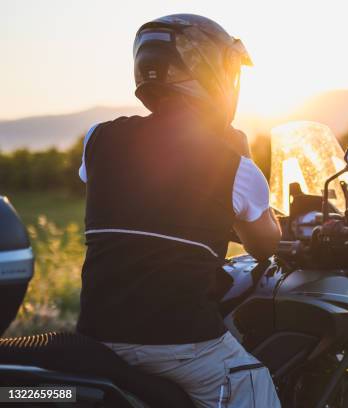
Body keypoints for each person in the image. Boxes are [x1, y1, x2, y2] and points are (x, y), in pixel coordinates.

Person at [75, 14, 282, 408]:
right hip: (180, 343)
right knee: (256, 388)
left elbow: (138, 202)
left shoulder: (97, 138)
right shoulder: (233, 163)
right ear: (213, 73)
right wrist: (241, 159)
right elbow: (264, 244)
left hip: (97, 334)